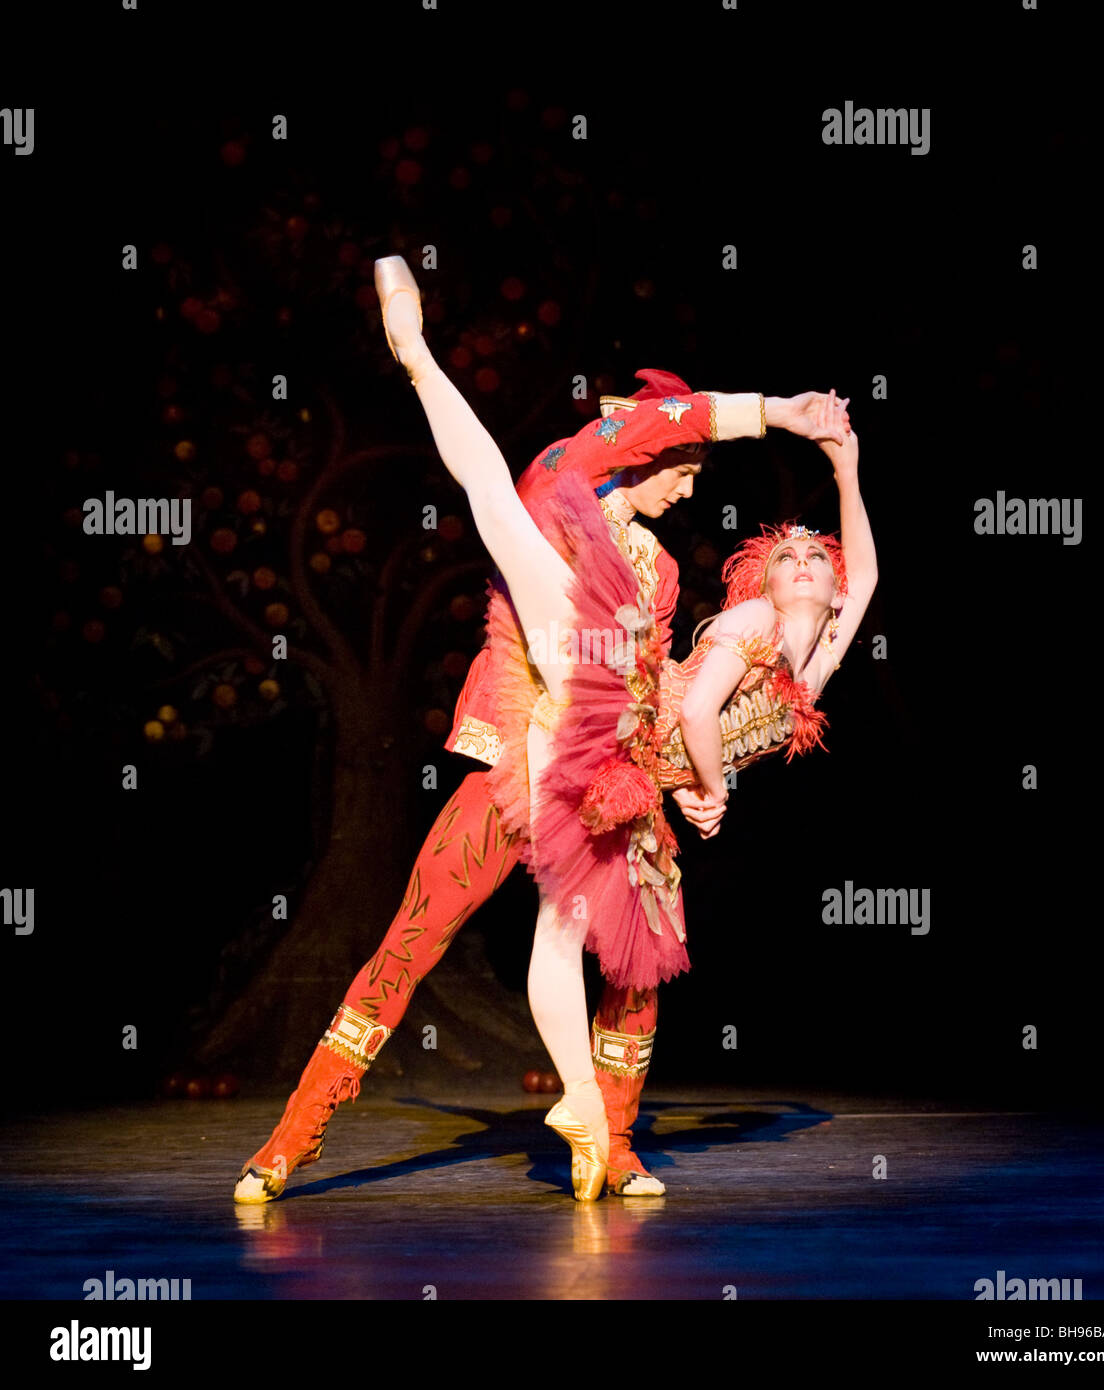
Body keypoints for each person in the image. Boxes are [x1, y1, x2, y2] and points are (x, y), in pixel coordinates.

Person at [233, 260, 851, 1204]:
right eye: (682, 471)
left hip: (612, 769)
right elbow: (636, 430)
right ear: (640, 457)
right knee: (415, 936)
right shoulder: (558, 489)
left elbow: (654, 688)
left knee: (635, 963)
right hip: (519, 755)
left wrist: (692, 770)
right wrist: (777, 410)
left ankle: (610, 1138)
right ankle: (292, 1135)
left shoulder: (662, 572)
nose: (690, 488)